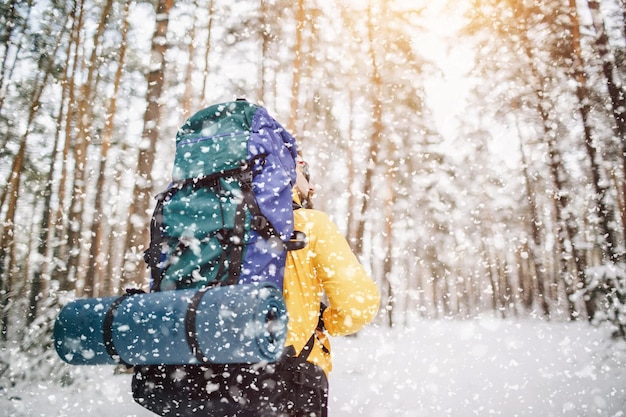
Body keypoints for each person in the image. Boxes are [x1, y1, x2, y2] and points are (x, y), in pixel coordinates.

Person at [132, 160, 380, 417]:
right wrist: (325, 320)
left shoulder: (194, 224)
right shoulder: (309, 225)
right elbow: (358, 305)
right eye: (305, 171)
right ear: (285, 169)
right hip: (285, 381)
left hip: (192, 379)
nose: (312, 186)